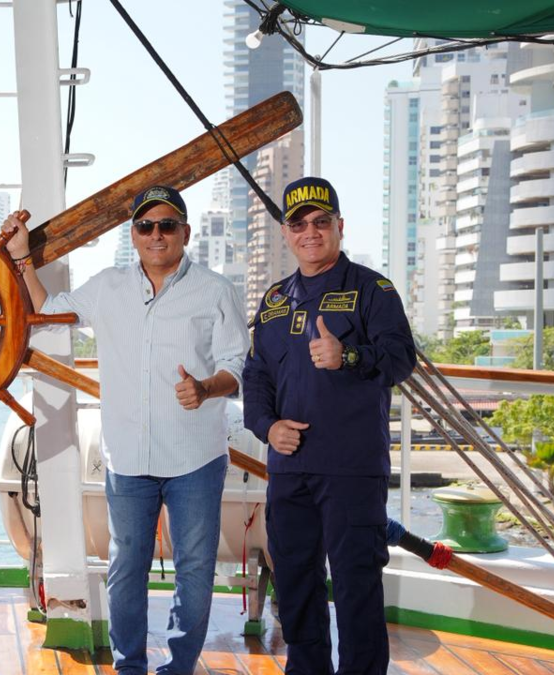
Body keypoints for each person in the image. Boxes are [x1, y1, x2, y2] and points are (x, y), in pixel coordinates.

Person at [3, 186, 250, 675]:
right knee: (125, 569)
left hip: (195, 457)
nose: (156, 235)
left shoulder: (217, 290)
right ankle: (129, 668)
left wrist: (205, 387)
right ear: (133, 234)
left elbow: (235, 365)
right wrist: (20, 260)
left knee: (196, 571)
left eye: (167, 225)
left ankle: (179, 668)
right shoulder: (108, 287)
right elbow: (51, 315)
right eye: (145, 226)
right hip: (129, 457)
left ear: (185, 232)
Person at [243, 177, 415, 675]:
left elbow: (401, 358)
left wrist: (350, 356)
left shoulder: (372, 290)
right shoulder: (275, 301)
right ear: (286, 233)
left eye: (322, 222)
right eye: (299, 224)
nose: (311, 232)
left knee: (357, 585)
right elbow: (256, 378)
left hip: (351, 469)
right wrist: (266, 426)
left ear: (339, 226)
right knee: (296, 584)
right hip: (290, 470)